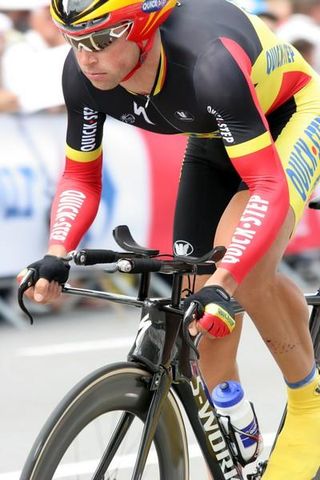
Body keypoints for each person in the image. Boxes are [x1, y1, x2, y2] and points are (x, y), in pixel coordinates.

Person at [18, 0, 320, 477]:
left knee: (241, 270)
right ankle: (239, 436)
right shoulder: (83, 75)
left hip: (289, 114)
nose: (86, 57)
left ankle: (309, 407)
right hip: (212, 132)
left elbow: (266, 185)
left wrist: (228, 279)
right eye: (75, 40)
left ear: (143, 30)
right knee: (196, 307)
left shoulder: (209, 61)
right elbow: (81, 177)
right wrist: (56, 252)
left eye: (100, 39)